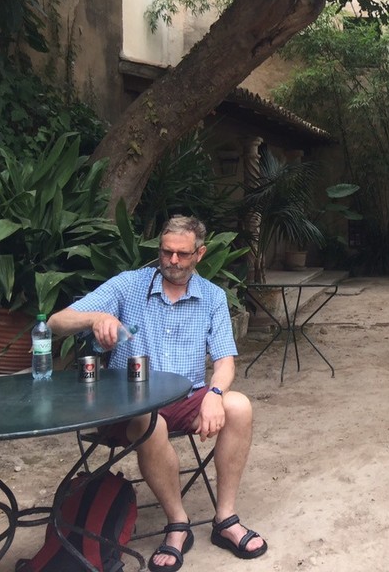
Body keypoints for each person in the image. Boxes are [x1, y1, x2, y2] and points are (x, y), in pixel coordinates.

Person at [49, 216, 267, 571]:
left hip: (186, 398)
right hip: (129, 405)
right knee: (150, 420)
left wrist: (214, 392)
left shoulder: (212, 296)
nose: (173, 261)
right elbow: (57, 321)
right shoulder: (128, 285)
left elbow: (226, 362)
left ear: (199, 253)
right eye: (167, 252)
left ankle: (224, 518)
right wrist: (93, 320)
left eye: (182, 254)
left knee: (238, 405)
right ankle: (177, 523)